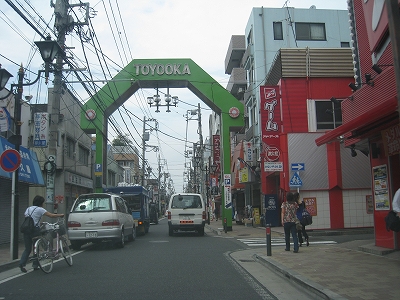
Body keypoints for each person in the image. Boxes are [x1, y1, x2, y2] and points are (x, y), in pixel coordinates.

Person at [19, 195, 64, 273]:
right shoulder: (40, 209)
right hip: (35, 230)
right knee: (36, 248)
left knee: (27, 249)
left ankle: (22, 263)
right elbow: (51, 215)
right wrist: (60, 215)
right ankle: (35, 265)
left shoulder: (28, 209)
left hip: (26, 230)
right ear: (41, 203)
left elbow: (30, 219)